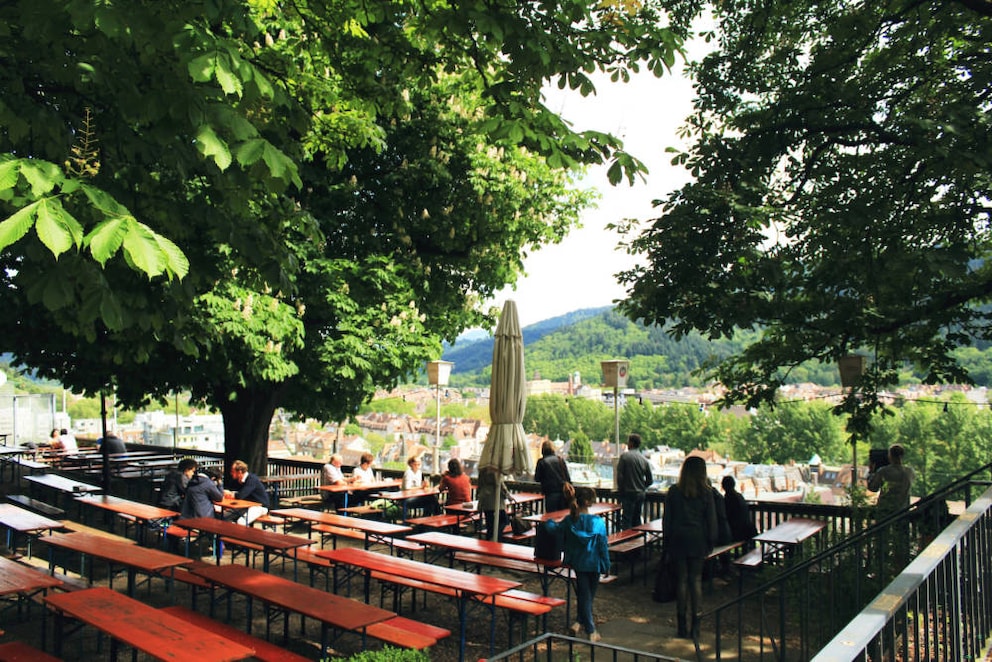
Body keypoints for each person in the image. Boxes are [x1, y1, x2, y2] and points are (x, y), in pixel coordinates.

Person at [544, 486, 610, 642]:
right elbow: (603, 545)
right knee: (588, 596)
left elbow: (554, 529)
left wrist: (549, 521)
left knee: (584, 595)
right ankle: (591, 630)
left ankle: (578, 622)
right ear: (588, 503)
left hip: (579, 562)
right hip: (595, 563)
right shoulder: (598, 523)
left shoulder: (570, 521)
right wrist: (606, 564)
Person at [663, 455, 717, 639]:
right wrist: (711, 541)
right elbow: (711, 520)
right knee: (696, 581)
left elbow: (667, 520)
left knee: (682, 581)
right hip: (698, 539)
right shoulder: (707, 493)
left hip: (678, 538)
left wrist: (667, 541)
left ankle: (681, 625)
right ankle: (696, 625)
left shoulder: (674, 491)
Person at [616, 433, 653, 529]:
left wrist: (621, 489)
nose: (627, 444)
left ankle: (626, 537)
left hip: (628, 493)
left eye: (628, 442)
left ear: (631, 443)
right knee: (637, 518)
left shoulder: (624, 457)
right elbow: (650, 480)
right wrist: (642, 486)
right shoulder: (644, 460)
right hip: (640, 494)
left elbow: (620, 476)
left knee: (626, 519)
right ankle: (638, 536)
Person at [867, 444, 915, 516]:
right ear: (902, 456)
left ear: (889, 456)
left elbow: (873, 488)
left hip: (885, 511)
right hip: (903, 510)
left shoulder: (883, 471)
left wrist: (871, 473)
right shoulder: (910, 472)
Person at [223, 459, 270, 525]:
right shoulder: (238, 480)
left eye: (233, 471)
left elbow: (241, 495)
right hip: (247, 506)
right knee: (224, 517)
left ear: (239, 472)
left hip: (260, 506)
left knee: (241, 522)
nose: (231, 473)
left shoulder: (252, 479)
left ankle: (242, 532)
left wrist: (230, 494)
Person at [534, 440, 571, 513]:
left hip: (550, 493)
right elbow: (567, 477)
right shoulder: (560, 460)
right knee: (563, 515)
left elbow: (537, 478)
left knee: (551, 515)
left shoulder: (541, 462)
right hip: (563, 493)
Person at [476, 465, 509, 541]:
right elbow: (500, 483)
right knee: (504, 520)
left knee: (490, 524)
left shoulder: (483, 469)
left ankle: (489, 541)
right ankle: (496, 538)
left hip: (486, 498)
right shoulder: (495, 468)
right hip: (496, 498)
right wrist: (507, 494)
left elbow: (479, 484)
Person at [722, 475, 757, 544]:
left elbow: (727, 515)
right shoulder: (739, 496)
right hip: (748, 530)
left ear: (724, 486)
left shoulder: (729, 498)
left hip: (739, 532)